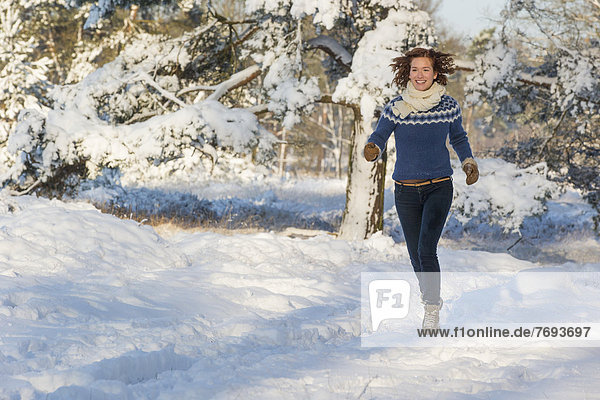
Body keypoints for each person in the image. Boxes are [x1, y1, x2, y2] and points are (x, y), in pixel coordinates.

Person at [363, 47, 479, 329]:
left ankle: (431, 308)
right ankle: (432, 297)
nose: (420, 75)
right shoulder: (396, 108)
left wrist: (468, 162)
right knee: (415, 253)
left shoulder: (449, 106)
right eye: (415, 69)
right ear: (408, 73)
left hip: (438, 187)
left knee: (427, 248)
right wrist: (373, 147)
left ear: (435, 72)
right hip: (404, 191)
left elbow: (459, 138)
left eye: (425, 69)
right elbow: (380, 135)